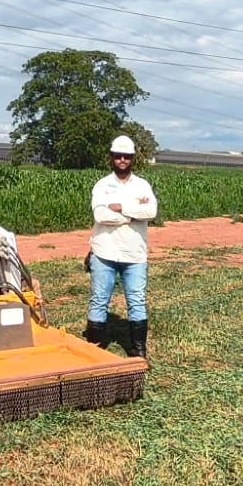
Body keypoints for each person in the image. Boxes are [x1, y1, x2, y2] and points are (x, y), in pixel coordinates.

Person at [83, 134, 158, 362]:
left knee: (136, 300)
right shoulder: (102, 185)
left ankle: (139, 351)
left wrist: (122, 207)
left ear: (133, 158)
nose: (122, 160)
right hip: (104, 252)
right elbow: (100, 214)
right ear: (112, 157)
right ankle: (94, 351)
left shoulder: (142, 185)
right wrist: (131, 217)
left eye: (126, 156)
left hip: (134, 254)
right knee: (99, 300)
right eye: (118, 156)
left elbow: (151, 211)